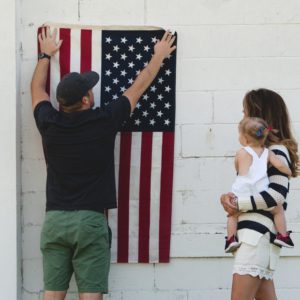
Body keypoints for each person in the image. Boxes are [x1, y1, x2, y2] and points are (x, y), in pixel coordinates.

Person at [31, 26, 176, 300]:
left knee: (52, 293)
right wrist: (158, 56)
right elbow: (138, 86)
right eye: (90, 90)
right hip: (90, 220)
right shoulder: (103, 121)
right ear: (86, 99)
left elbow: (37, 89)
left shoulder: (48, 122)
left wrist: (45, 55)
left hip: (55, 219)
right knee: (91, 294)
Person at [220, 88, 299, 300]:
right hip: (253, 236)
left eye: (245, 113)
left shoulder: (276, 151)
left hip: (257, 237)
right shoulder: (258, 153)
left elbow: (276, 196)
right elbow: (250, 189)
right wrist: (228, 198)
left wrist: (238, 204)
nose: (243, 117)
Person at [225, 117, 293, 254]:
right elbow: (279, 165)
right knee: (278, 210)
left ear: (244, 138)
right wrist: (289, 171)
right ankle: (282, 235)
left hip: (241, 193)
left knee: (232, 215)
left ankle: (231, 239)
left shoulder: (241, 152)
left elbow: (237, 169)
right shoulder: (269, 153)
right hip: (260, 193)